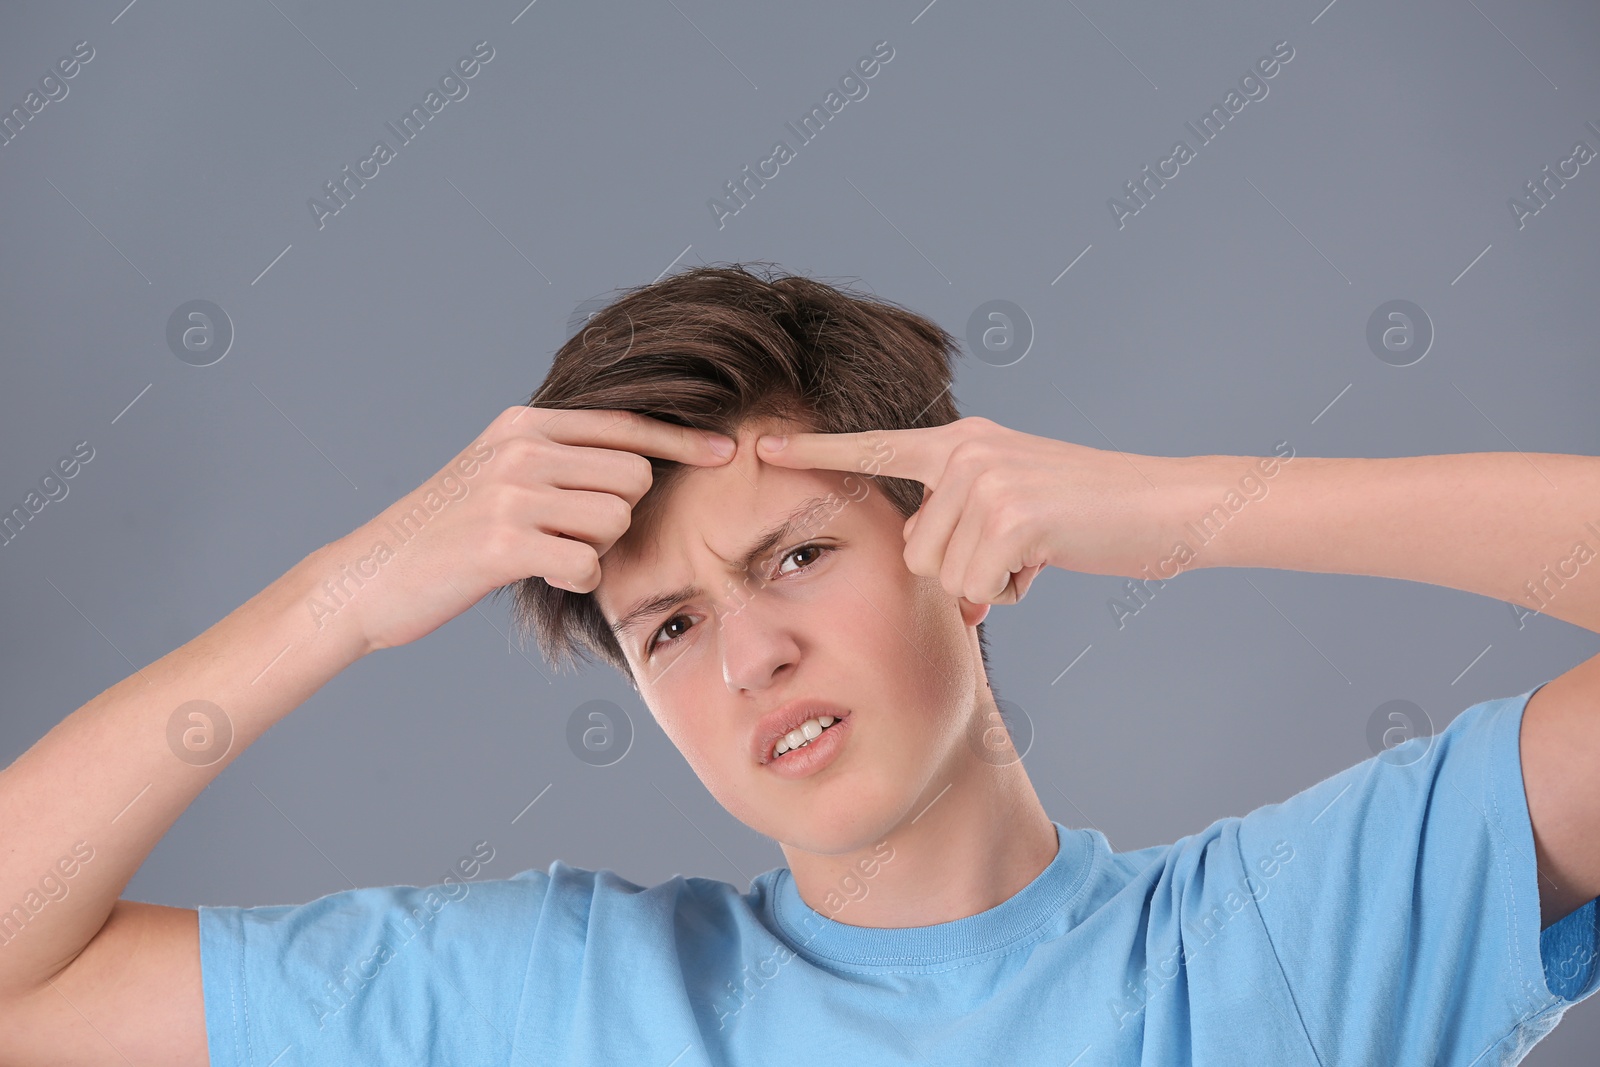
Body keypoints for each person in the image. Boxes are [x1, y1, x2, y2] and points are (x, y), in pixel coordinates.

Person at [1, 263, 1597, 1065]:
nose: (752, 656)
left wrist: (1197, 506)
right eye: (671, 627)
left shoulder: (1273, 952)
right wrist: (340, 597)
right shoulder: (560, 1002)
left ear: (971, 556)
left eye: (798, 557)